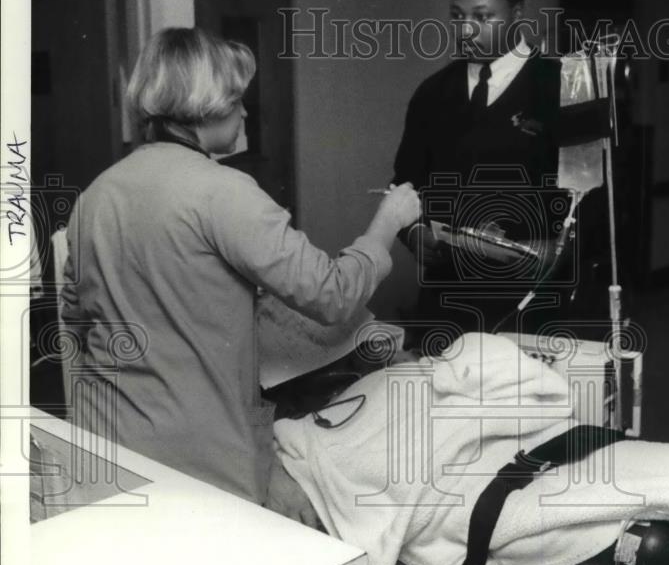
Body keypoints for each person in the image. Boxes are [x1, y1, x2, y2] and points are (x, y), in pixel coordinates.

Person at [60, 27, 421, 522]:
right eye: (236, 100)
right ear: (204, 105)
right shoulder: (224, 193)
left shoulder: (93, 197)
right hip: (198, 468)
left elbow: (79, 324)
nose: (246, 112)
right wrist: (387, 224)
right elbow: (333, 294)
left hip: (112, 457)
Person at [391, 0, 564, 344]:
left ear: (517, 15)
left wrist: (553, 249)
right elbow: (404, 184)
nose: (466, 30)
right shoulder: (432, 93)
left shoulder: (560, 88)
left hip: (527, 309)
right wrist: (414, 232)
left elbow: (595, 205)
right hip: (445, 306)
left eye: (483, 17)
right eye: (457, 16)